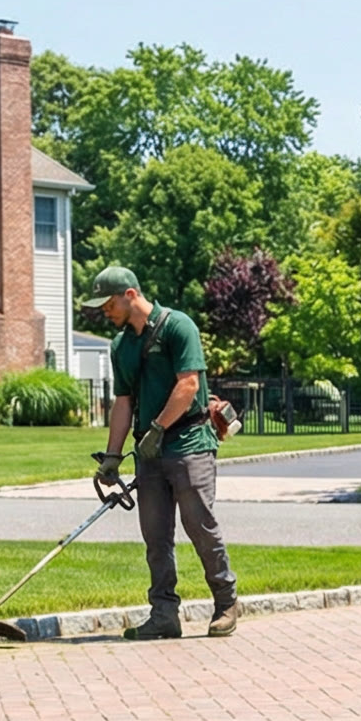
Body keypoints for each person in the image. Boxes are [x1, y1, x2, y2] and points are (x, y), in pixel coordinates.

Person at [86, 264, 240, 640]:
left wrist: (158, 428)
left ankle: (226, 603)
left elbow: (188, 385)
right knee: (156, 537)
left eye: (108, 304)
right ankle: (164, 614)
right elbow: (124, 401)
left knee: (199, 525)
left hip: (189, 444)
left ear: (130, 295)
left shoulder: (178, 326)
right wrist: (112, 456)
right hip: (149, 453)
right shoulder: (121, 345)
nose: (104, 312)